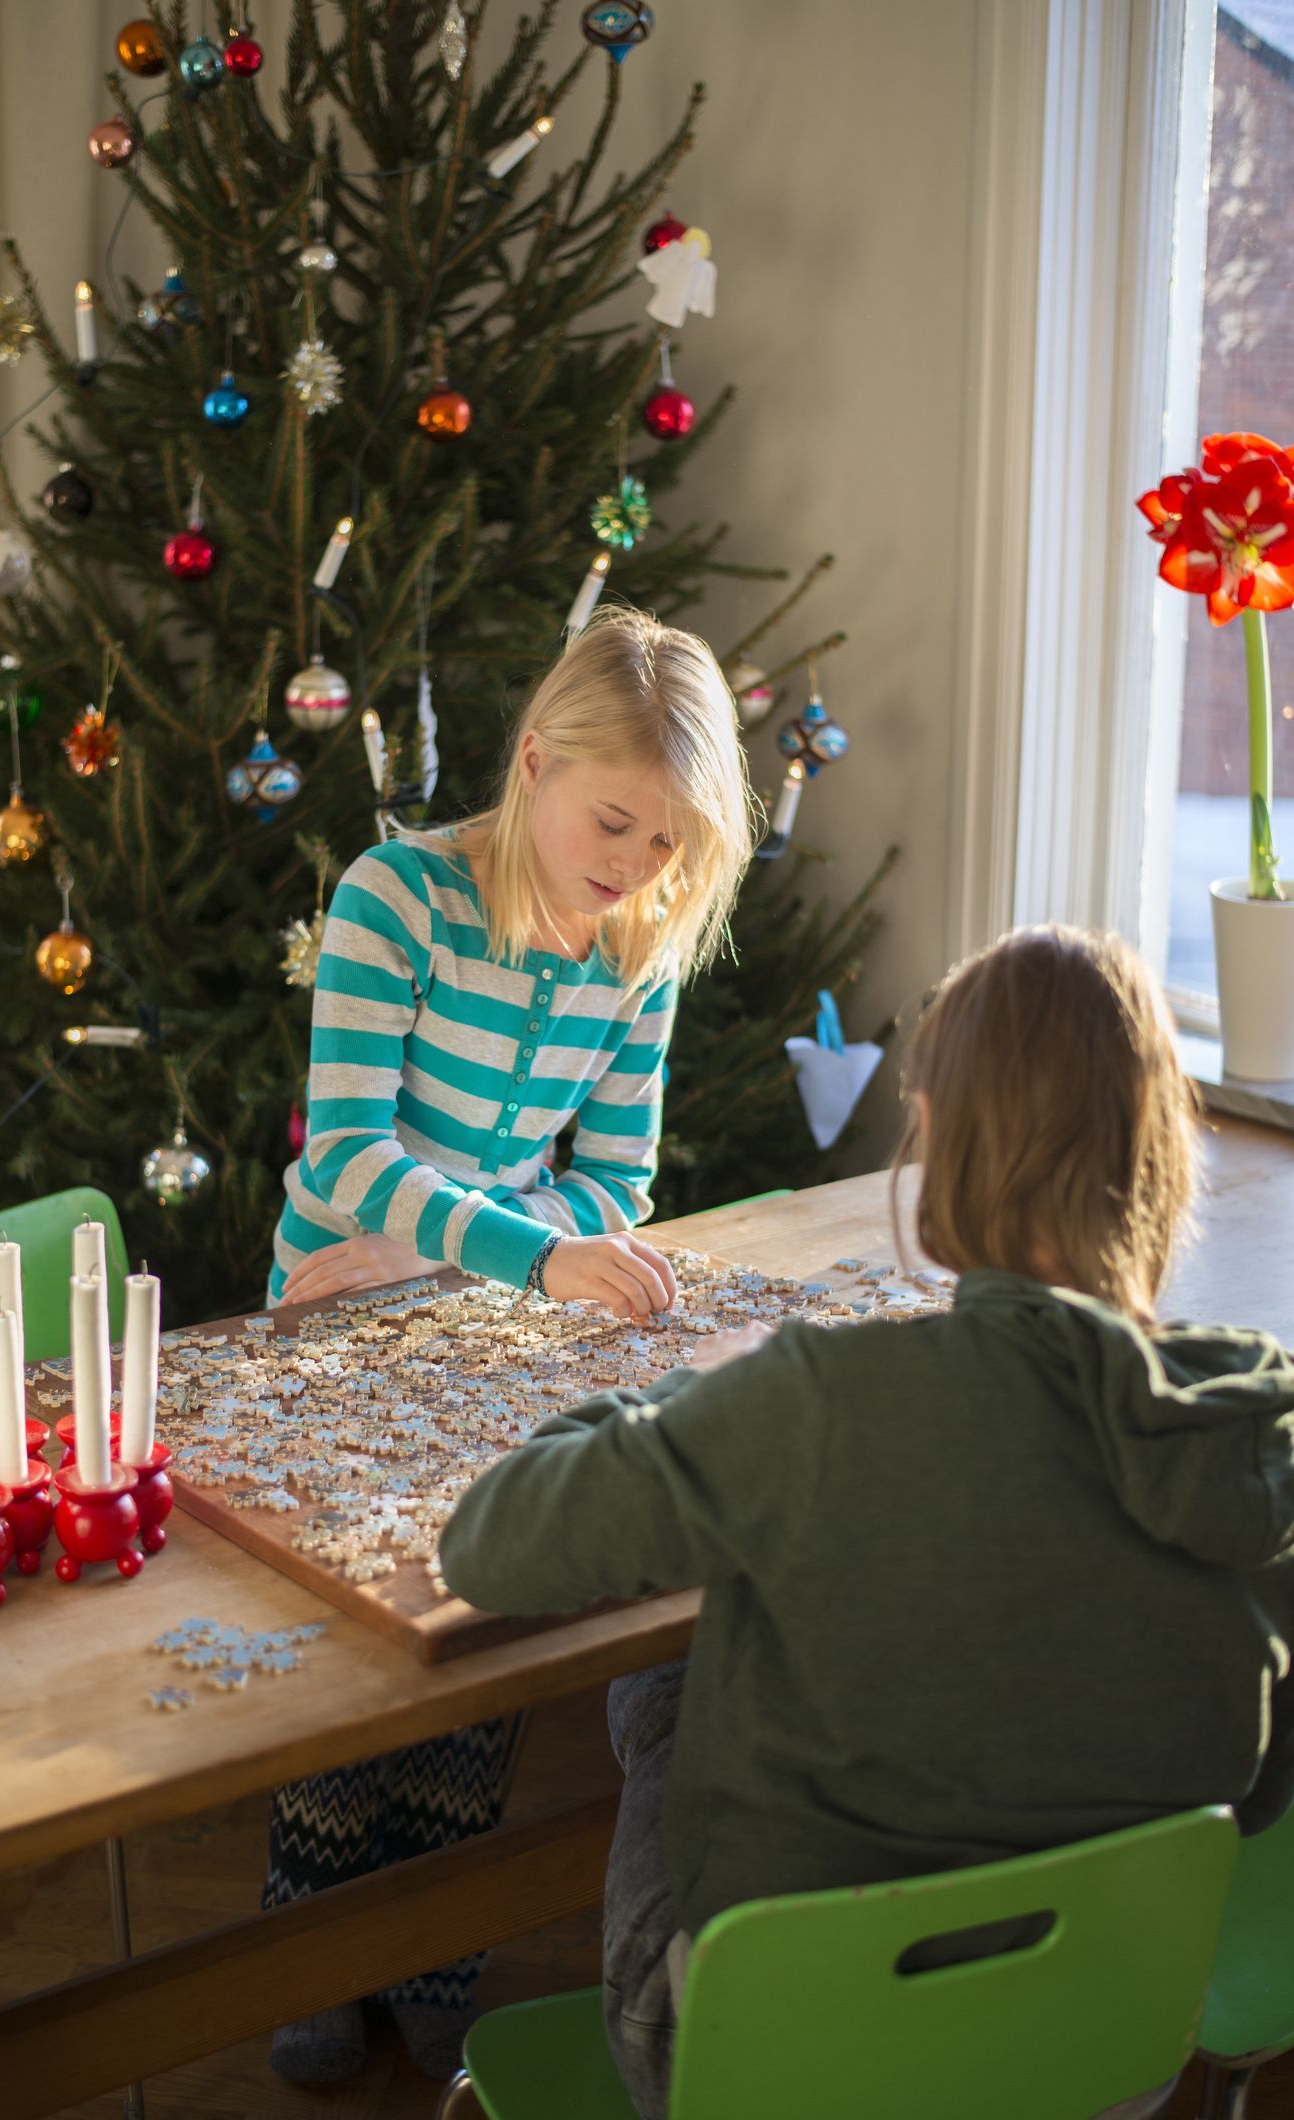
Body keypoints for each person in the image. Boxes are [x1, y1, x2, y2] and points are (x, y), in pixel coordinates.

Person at [439, 925, 1294, 2120]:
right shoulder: (1260, 1427)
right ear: (1164, 1162)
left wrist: (699, 1392)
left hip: (761, 2059)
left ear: (936, 1141)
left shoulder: (821, 1399)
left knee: (675, 1669)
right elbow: (1252, 1797)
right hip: (1100, 2054)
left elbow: (492, 1540)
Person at [263, 609, 757, 2083]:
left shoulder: (639, 947)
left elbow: (622, 1181)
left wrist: (462, 1240)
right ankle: (311, 1939)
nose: (631, 866)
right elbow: (345, 1151)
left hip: (497, 1332)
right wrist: (535, 1242)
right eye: (612, 822)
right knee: (349, 1661)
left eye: (666, 847)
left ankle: (434, 1949)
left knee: (476, 1623)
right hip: (331, 1337)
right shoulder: (393, 899)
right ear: (534, 758)